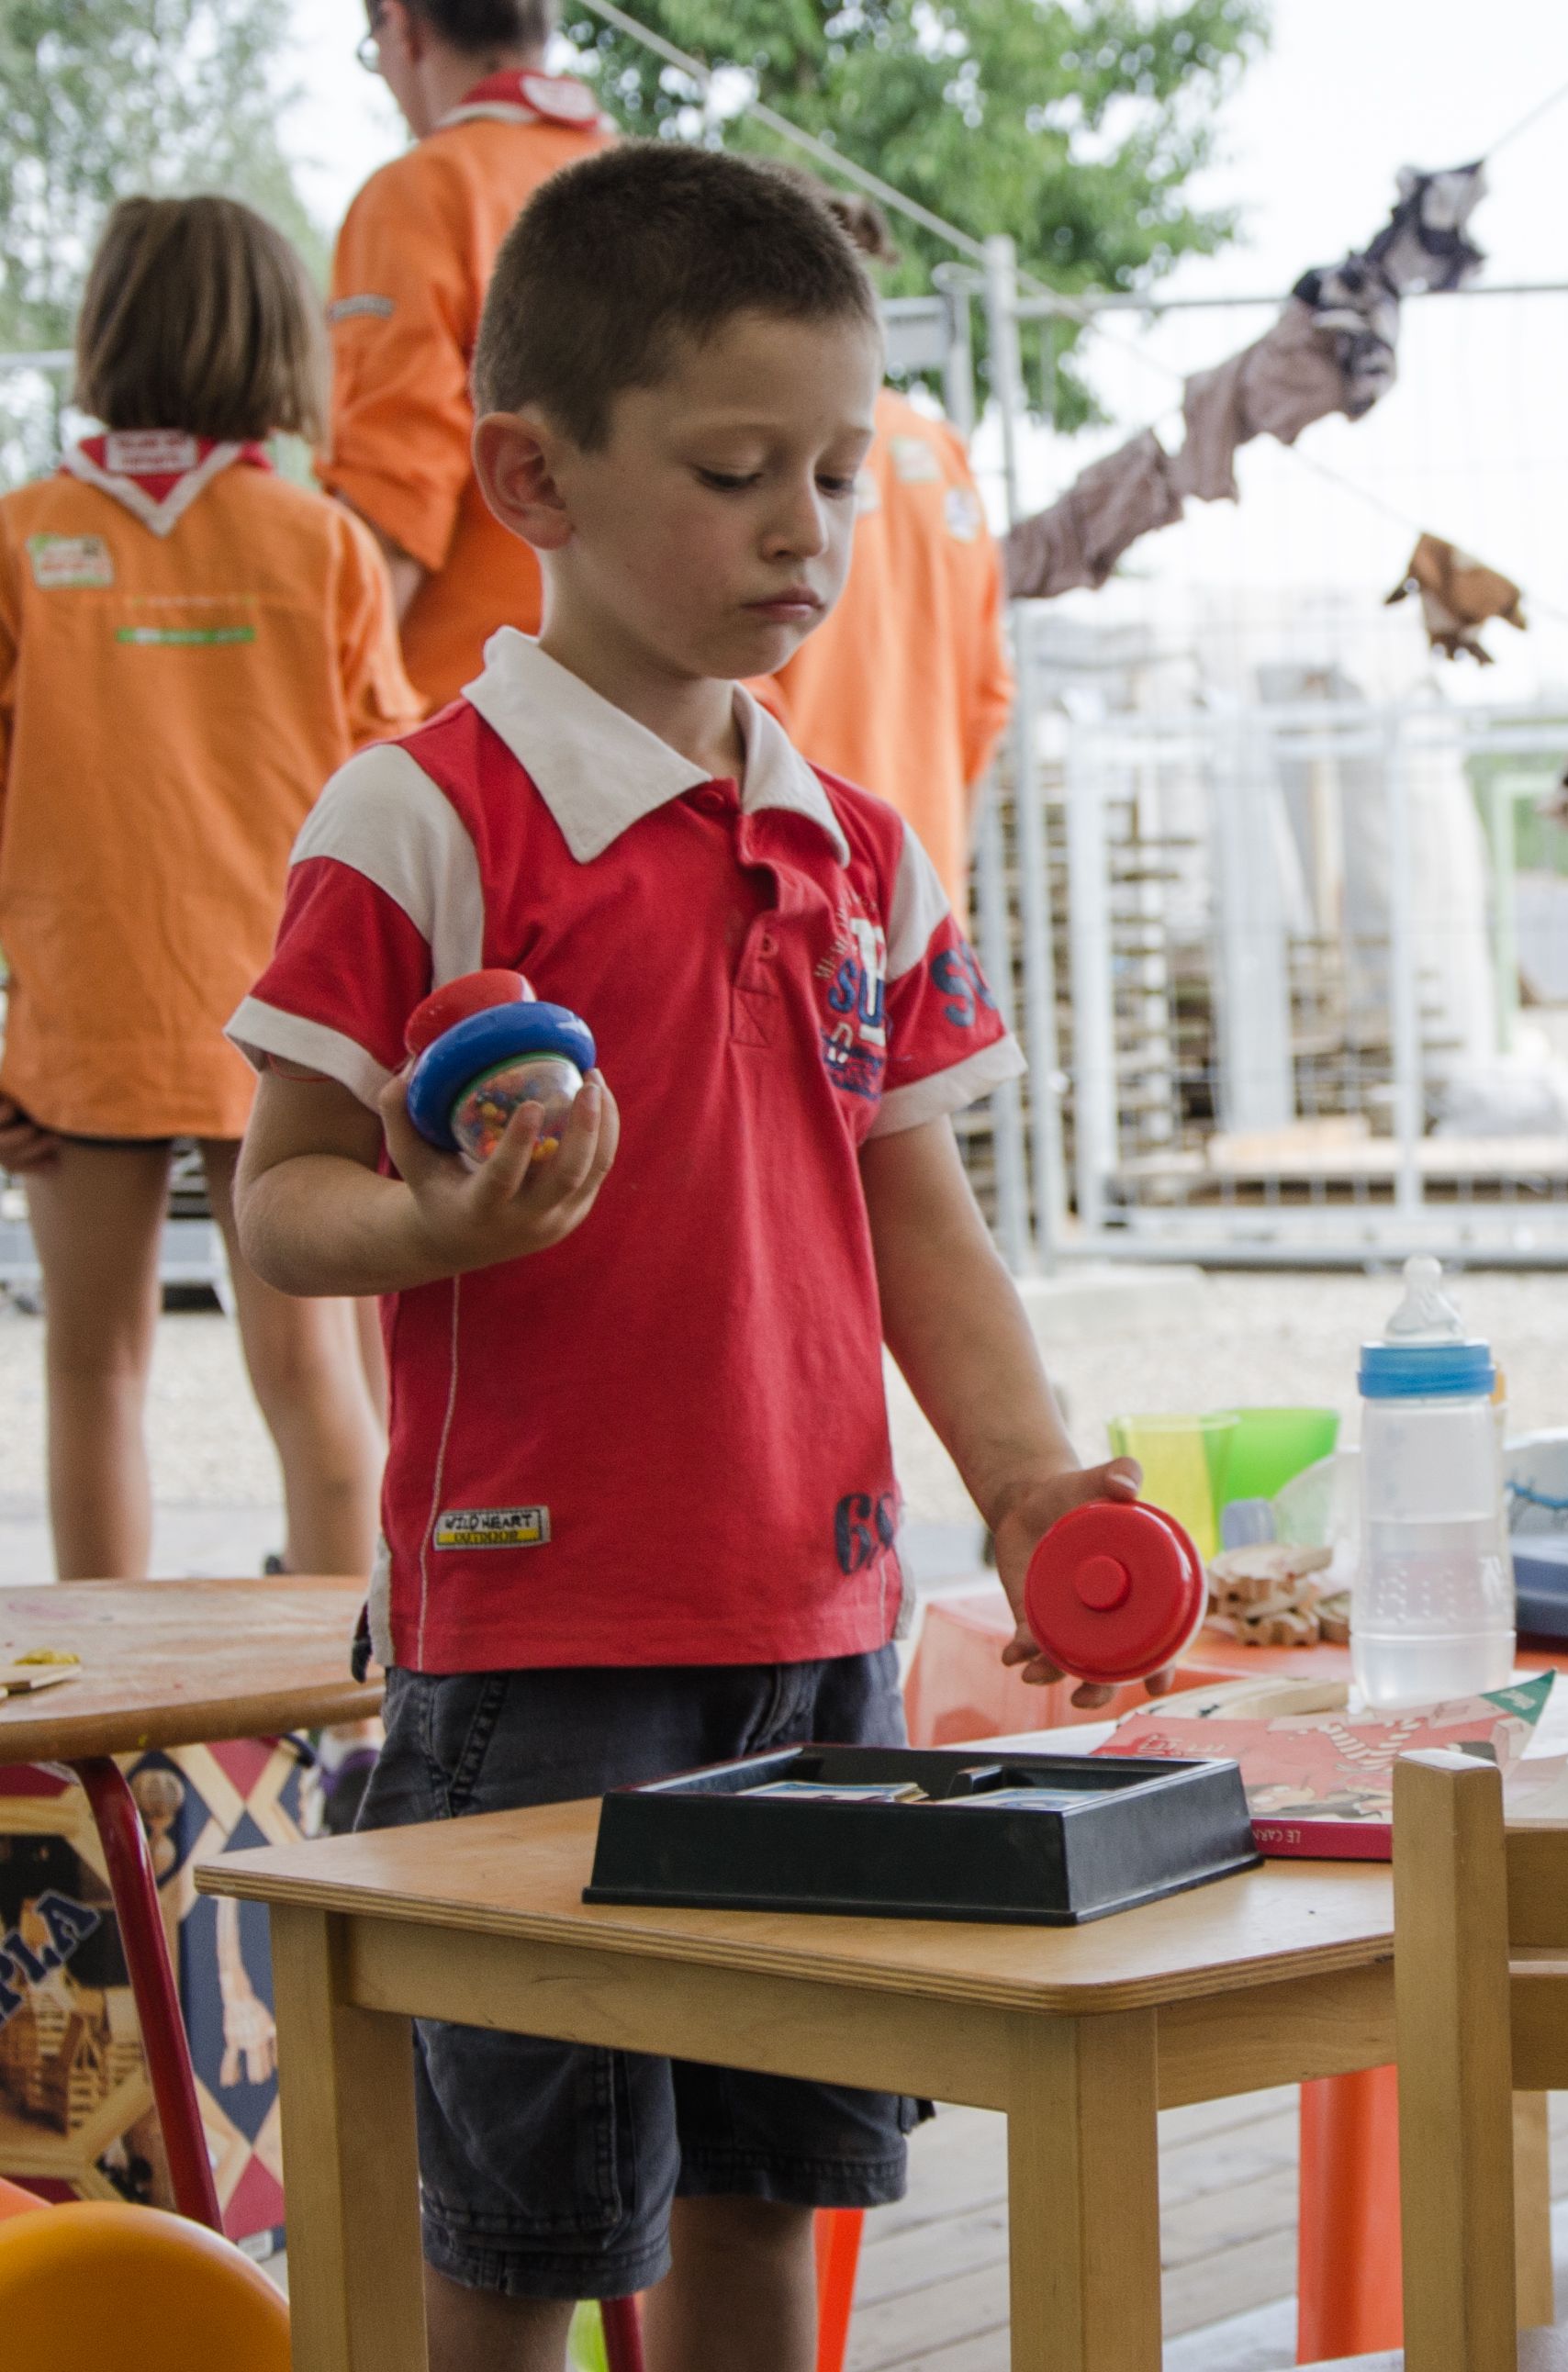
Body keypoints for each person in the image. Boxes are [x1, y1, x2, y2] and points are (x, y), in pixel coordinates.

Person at [230, 145, 1132, 2371]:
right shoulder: (422, 821)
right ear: (526, 472)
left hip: (818, 1629)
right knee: (524, 2244)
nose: (804, 530)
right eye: (737, 472)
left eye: (836, 469)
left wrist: (1026, 1490)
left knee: (767, 2207)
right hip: (538, 1645)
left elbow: (916, 1215)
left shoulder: (857, 847)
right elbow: (277, 1196)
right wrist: (437, 1220)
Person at [0, 196, 409, 1579]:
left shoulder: (22, 538)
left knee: (93, 1372)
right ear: (282, 340)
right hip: (293, 1035)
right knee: (311, 1377)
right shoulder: (325, 545)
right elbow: (399, 801)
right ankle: (348, 1698)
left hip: (79, 1032)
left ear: (104, 332)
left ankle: (105, 1733)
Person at [324, 0, 609, 710]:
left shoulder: (421, 194)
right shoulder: (674, 191)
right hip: (698, 725)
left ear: (403, 25)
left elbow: (393, 502)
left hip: (493, 731)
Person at [752, 192, 1013, 899]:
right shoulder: (942, 453)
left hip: (799, 904)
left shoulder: (754, 464)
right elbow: (988, 701)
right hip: (919, 898)